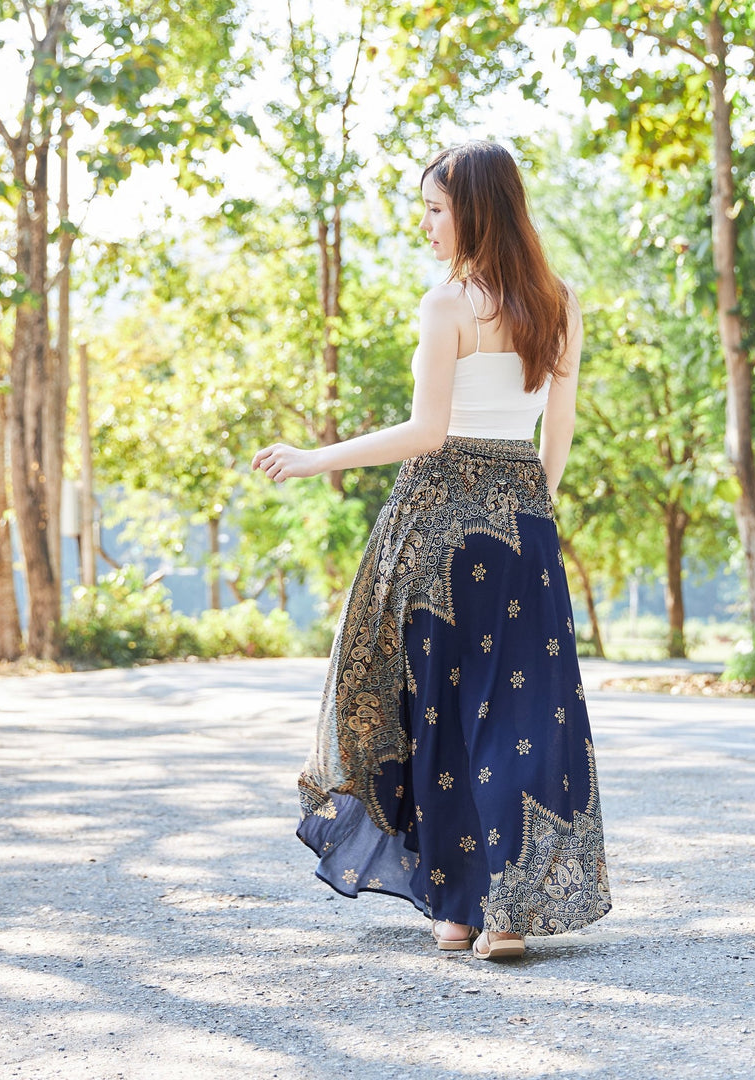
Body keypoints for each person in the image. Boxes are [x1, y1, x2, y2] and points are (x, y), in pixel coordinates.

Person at [252, 140, 611, 961]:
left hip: (439, 524)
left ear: (475, 208)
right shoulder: (559, 300)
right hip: (524, 527)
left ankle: (457, 909)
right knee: (520, 715)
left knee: (439, 713)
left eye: (436, 208)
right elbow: (556, 436)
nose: (425, 224)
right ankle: (501, 914)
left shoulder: (448, 303)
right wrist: (529, 513)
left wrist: (316, 459)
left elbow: (426, 432)